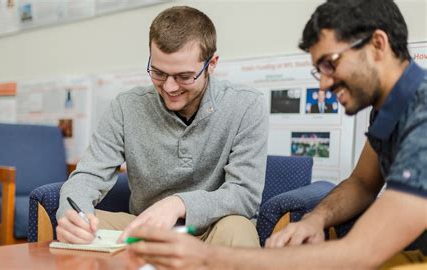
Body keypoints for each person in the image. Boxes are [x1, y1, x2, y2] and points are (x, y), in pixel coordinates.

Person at [126, 0, 427, 269]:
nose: (322, 84)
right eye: (317, 69)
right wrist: (314, 219)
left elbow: (361, 252)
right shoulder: (390, 109)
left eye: (330, 63)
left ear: (377, 44)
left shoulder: (423, 111)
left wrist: (206, 257)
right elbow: (362, 183)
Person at [56, 6, 269, 248]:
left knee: (237, 228)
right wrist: (74, 217)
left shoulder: (247, 104)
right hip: (145, 230)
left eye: (184, 76)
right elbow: (88, 176)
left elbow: (244, 195)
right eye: (158, 72)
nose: (169, 87)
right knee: (81, 229)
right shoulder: (126, 107)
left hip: (215, 231)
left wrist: (178, 204)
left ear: (211, 64)